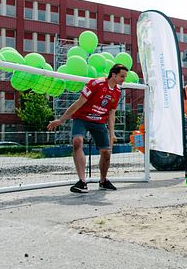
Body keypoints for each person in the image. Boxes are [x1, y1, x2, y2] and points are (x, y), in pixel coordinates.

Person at [47, 64, 128, 193]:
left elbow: (111, 113)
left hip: (99, 122)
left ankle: (103, 181)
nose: (124, 79)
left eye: (125, 77)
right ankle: (82, 182)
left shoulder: (117, 92)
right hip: (82, 118)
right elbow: (79, 102)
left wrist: (112, 133)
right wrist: (61, 120)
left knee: (106, 153)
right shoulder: (96, 84)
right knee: (77, 142)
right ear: (114, 74)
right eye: (122, 76)